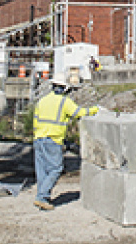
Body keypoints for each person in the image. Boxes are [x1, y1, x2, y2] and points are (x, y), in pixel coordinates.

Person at [31, 77, 97, 210]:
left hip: (38, 139)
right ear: (65, 89)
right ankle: (42, 196)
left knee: (42, 170)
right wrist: (95, 110)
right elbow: (79, 113)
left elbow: (35, 121)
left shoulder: (42, 101)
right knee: (56, 169)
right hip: (53, 139)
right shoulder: (64, 102)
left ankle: (42, 197)